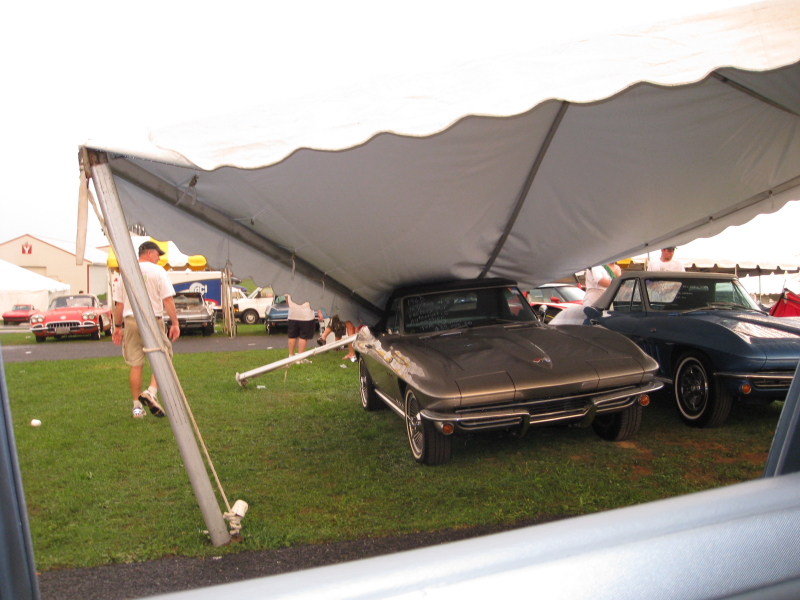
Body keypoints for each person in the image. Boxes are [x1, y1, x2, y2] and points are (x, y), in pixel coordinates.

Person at [112, 241, 181, 419]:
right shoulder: (158, 271)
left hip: (130, 320)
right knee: (164, 356)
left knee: (136, 364)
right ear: (149, 253)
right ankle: (151, 392)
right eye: (158, 254)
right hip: (152, 319)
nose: (159, 258)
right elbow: (168, 300)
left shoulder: (125, 272)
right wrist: (175, 323)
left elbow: (119, 305)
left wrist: (117, 327)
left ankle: (137, 409)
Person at [285, 294, 319, 363]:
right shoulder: (308, 286)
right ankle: (301, 356)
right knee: (304, 336)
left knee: (292, 335)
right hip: (306, 315)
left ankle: (291, 355)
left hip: (293, 314)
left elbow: (287, 300)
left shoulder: (289, 285)